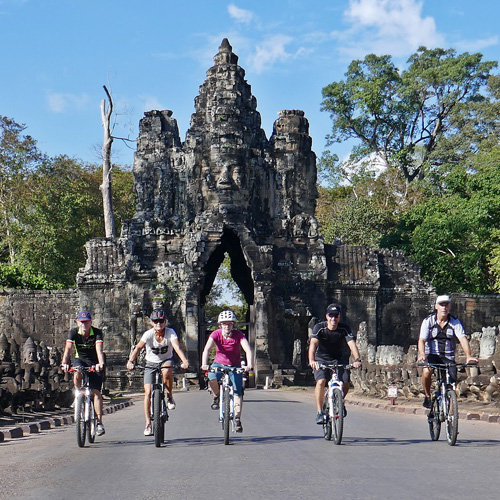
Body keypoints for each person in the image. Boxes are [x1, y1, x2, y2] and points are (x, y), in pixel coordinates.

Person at [126, 309, 189, 436]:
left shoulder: (170, 333)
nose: (158, 324)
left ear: (165, 322)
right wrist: (131, 361)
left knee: (166, 371)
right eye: (156, 321)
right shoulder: (148, 334)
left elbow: (176, 347)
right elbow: (138, 347)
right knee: (148, 392)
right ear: (151, 323)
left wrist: (184, 360)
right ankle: (148, 423)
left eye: (161, 321)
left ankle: (169, 397)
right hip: (150, 363)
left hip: (166, 360)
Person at [418, 294, 477, 409]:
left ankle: (451, 416)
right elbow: (422, 340)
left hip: (448, 357)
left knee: (451, 384)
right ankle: (427, 394)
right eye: (441, 305)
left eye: (446, 305)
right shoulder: (428, 321)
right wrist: (422, 354)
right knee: (426, 372)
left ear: (449, 307)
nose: (444, 308)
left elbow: (462, 338)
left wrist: (468, 356)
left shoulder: (454, 322)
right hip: (432, 355)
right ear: (436, 306)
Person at [308, 303, 362, 424]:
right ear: (327, 316)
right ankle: (319, 412)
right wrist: (312, 361)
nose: (333, 318)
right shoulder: (319, 327)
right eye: (331, 315)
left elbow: (352, 344)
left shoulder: (344, 328)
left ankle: (339, 401)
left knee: (346, 382)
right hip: (321, 359)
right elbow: (313, 345)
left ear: (339, 317)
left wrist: (357, 359)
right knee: (321, 381)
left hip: (338, 359)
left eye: (336, 316)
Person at [201, 310, 253, 433]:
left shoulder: (239, 335)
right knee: (211, 378)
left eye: (229, 324)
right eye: (224, 324)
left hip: (235, 365)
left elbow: (248, 349)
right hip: (218, 363)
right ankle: (217, 395)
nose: (227, 326)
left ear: (233, 325)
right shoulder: (216, 334)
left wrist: (249, 364)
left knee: (237, 391)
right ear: (220, 325)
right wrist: (204, 364)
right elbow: (207, 350)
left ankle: (237, 419)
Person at [61, 311, 106, 436]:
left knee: (96, 392)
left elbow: (99, 350)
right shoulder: (74, 332)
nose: (84, 324)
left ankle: (99, 423)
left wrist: (100, 364)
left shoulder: (97, 333)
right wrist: (64, 363)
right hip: (80, 360)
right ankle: (78, 394)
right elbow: (68, 349)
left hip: (95, 361)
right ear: (77, 322)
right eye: (82, 322)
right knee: (77, 371)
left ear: (91, 322)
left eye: (86, 322)